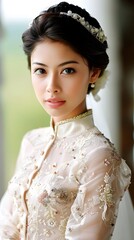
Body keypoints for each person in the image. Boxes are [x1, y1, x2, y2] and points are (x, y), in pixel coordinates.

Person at [0, 2, 131, 240]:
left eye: (67, 70)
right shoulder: (31, 141)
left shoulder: (99, 157)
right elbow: (7, 227)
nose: (52, 88)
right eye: (41, 71)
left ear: (94, 72)